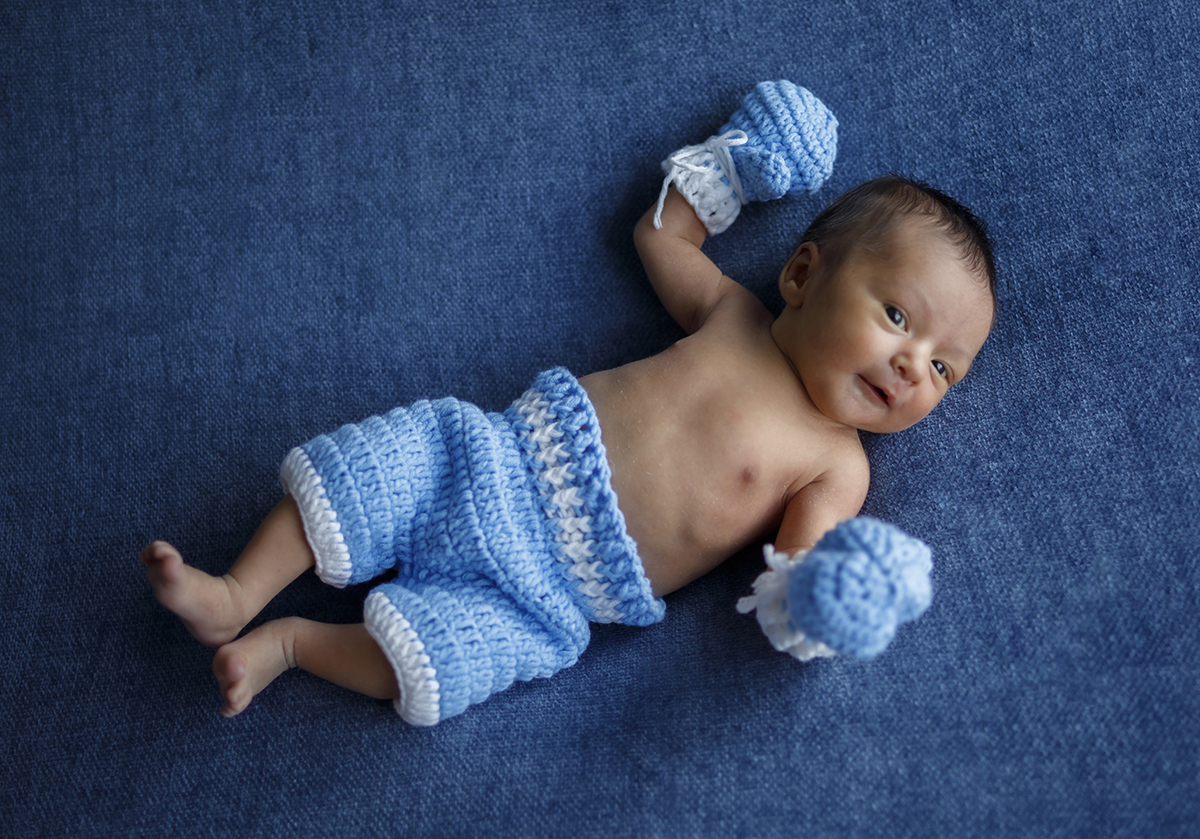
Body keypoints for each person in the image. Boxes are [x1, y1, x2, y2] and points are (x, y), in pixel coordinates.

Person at [141, 83, 997, 725]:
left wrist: (831, 592)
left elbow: (794, 570)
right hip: (494, 457)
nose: (912, 366)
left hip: (552, 596)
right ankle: (237, 590)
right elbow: (662, 233)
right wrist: (743, 160)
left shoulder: (835, 464)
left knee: (432, 666)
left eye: (944, 369)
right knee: (365, 475)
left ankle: (292, 643)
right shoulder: (733, 315)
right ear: (803, 274)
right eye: (898, 316)